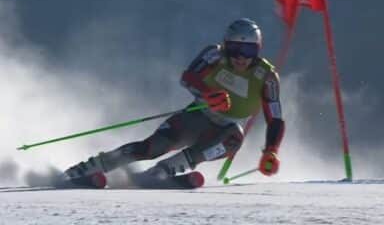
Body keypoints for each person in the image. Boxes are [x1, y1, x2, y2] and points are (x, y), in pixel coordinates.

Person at [64, 18, 285, 188]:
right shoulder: (215, 56)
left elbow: (274, 117)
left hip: (225, 131)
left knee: (232, 138)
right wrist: (208, 93)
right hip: (197, 116)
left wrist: (271, 150)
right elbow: (188, 77)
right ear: (226, 46)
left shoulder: (266, 76)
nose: (241, 57)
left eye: (248, 51)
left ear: (258, 50)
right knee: (151, 148)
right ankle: (90, 168)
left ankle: (161, 173)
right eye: (235, 49)